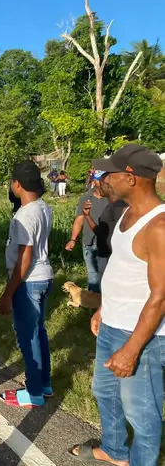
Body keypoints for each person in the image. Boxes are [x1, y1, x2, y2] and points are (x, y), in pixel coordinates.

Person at [69, 144, 165, 466]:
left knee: (141, 413)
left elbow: (160, 296)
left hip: (141, 336)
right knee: (104, 392)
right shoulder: (124, 213)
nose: (102, 177)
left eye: (109, 172)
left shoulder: (159, 228)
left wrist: (132, 349)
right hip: (112, 323)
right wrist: (102, 308)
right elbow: (123, 269)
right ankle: (114, 449)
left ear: (131, 177)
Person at [0, 162, 54, 408]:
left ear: (17, 184)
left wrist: (8, 293)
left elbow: (25, 257)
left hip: (28, 280)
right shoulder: (44, 207)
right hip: (44, 276)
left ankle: (34, 393)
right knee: (39, 333)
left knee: (28, 338)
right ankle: (44, 384)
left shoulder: (25, 214)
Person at [65, 177, 109, 292]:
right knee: (92, 273)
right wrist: (73, 239)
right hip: (89, 242)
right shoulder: (86, 198)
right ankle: (92, 303)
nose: (104, 182)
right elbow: (79, 219)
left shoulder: (112, 198)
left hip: (107, 244)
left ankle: (105, 302)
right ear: (94, 181)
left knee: (106, 274)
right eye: (100, 180)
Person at [81, 170, 127, 280]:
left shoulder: (118, 207)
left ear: (109, 186)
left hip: (111, 257)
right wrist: (87, 216)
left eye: (101, 184)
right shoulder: (114, 206)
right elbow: (100, 231)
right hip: (107, 255)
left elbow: (103, 233)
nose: (98, 186)